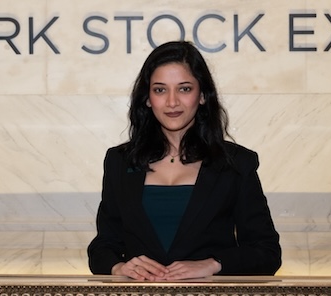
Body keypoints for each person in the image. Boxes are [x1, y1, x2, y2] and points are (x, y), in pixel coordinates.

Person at [87, 40, 281, 280]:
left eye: (184, 89)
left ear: (202, 95)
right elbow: (103, 246)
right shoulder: (119, 161)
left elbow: (267, 252)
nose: (172, 102)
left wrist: (214, 264)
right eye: (160, 90)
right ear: (147, 98)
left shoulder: (236, 163)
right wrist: (118, 267)